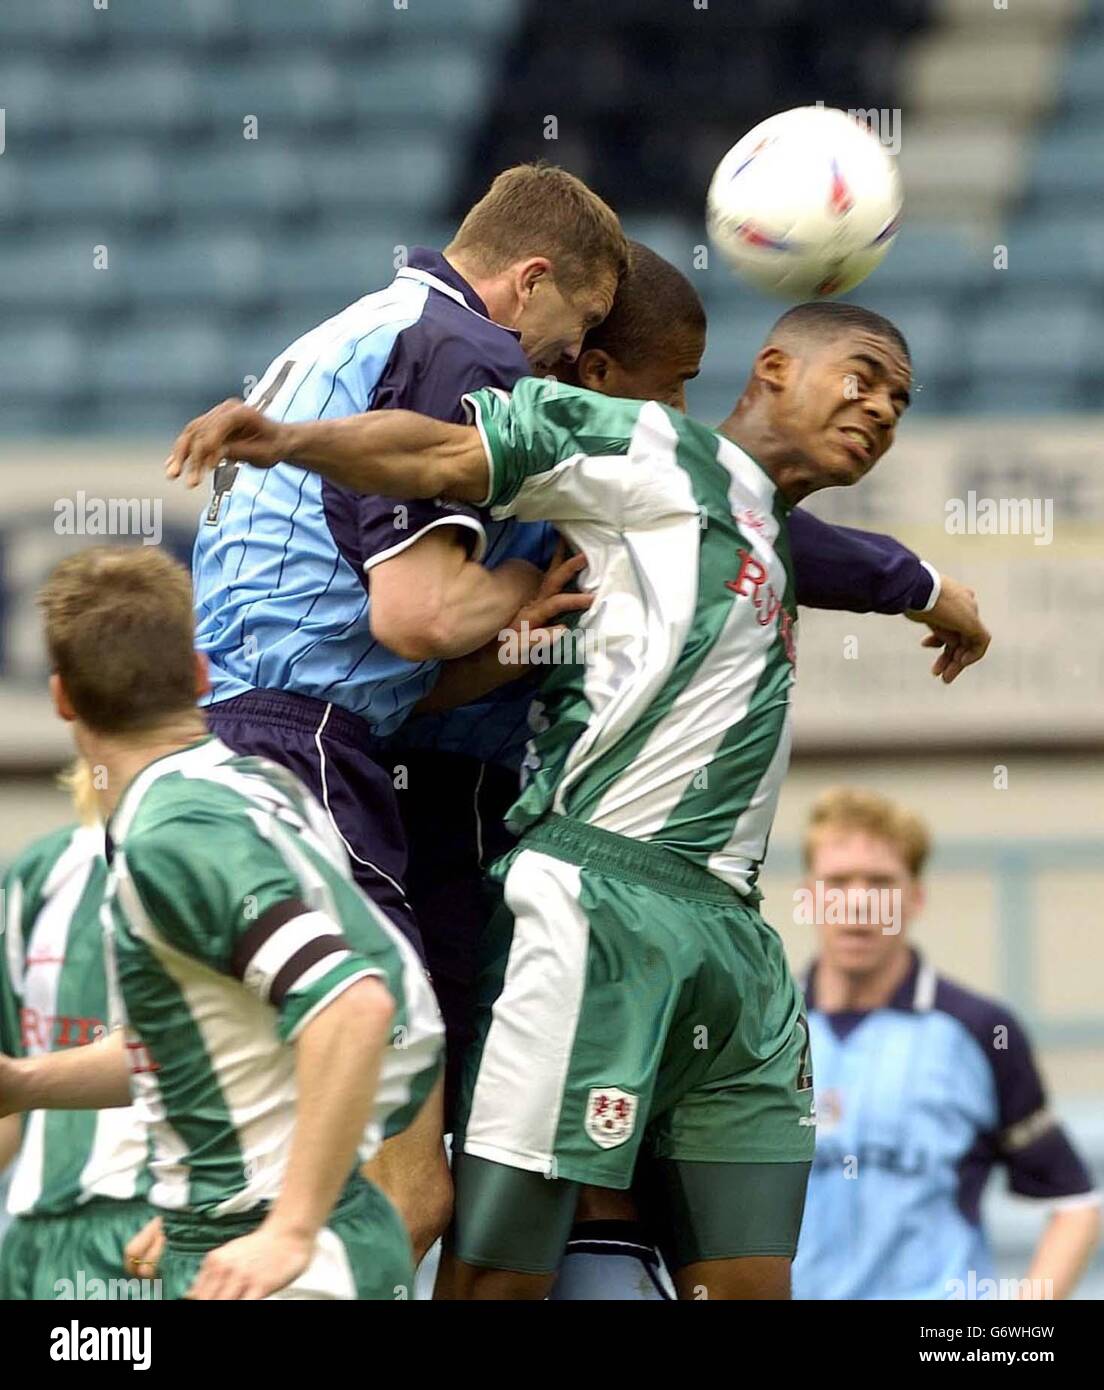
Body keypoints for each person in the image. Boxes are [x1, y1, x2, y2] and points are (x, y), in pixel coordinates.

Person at [165, 299, 992, 1299]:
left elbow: (837, 557)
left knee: (748, 1284)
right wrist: (284, 439)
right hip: (598, 903)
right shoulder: (647, 448)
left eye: (900, 400)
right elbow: (440, 457)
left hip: (736, 938)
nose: (882, 407)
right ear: (773, 366)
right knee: (495, 1277)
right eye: (860, 378)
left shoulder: (767, 525)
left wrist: (927, 586)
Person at [0, 547, 443, 1300]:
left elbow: (354, 1004)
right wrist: (24, 1082)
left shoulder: (177, 836)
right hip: (272, 1228)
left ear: (63, 699)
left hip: (290, 1257)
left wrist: (286, 1227)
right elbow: (222, 1043)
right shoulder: (254, 784)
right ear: (202, 676)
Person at [792, 787, 1100, 1300]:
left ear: (916, 898)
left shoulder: (979, 1030)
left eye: (881, 882)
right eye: (838, 882)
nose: (859, 900)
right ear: (808, 896)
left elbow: (1075, 1204)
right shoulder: (760, 1036)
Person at [0, 762, 155, 1299]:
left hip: (146, 1224)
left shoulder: (204, 862)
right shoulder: (36, 874)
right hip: (31, 1227)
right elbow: (12, 1087)